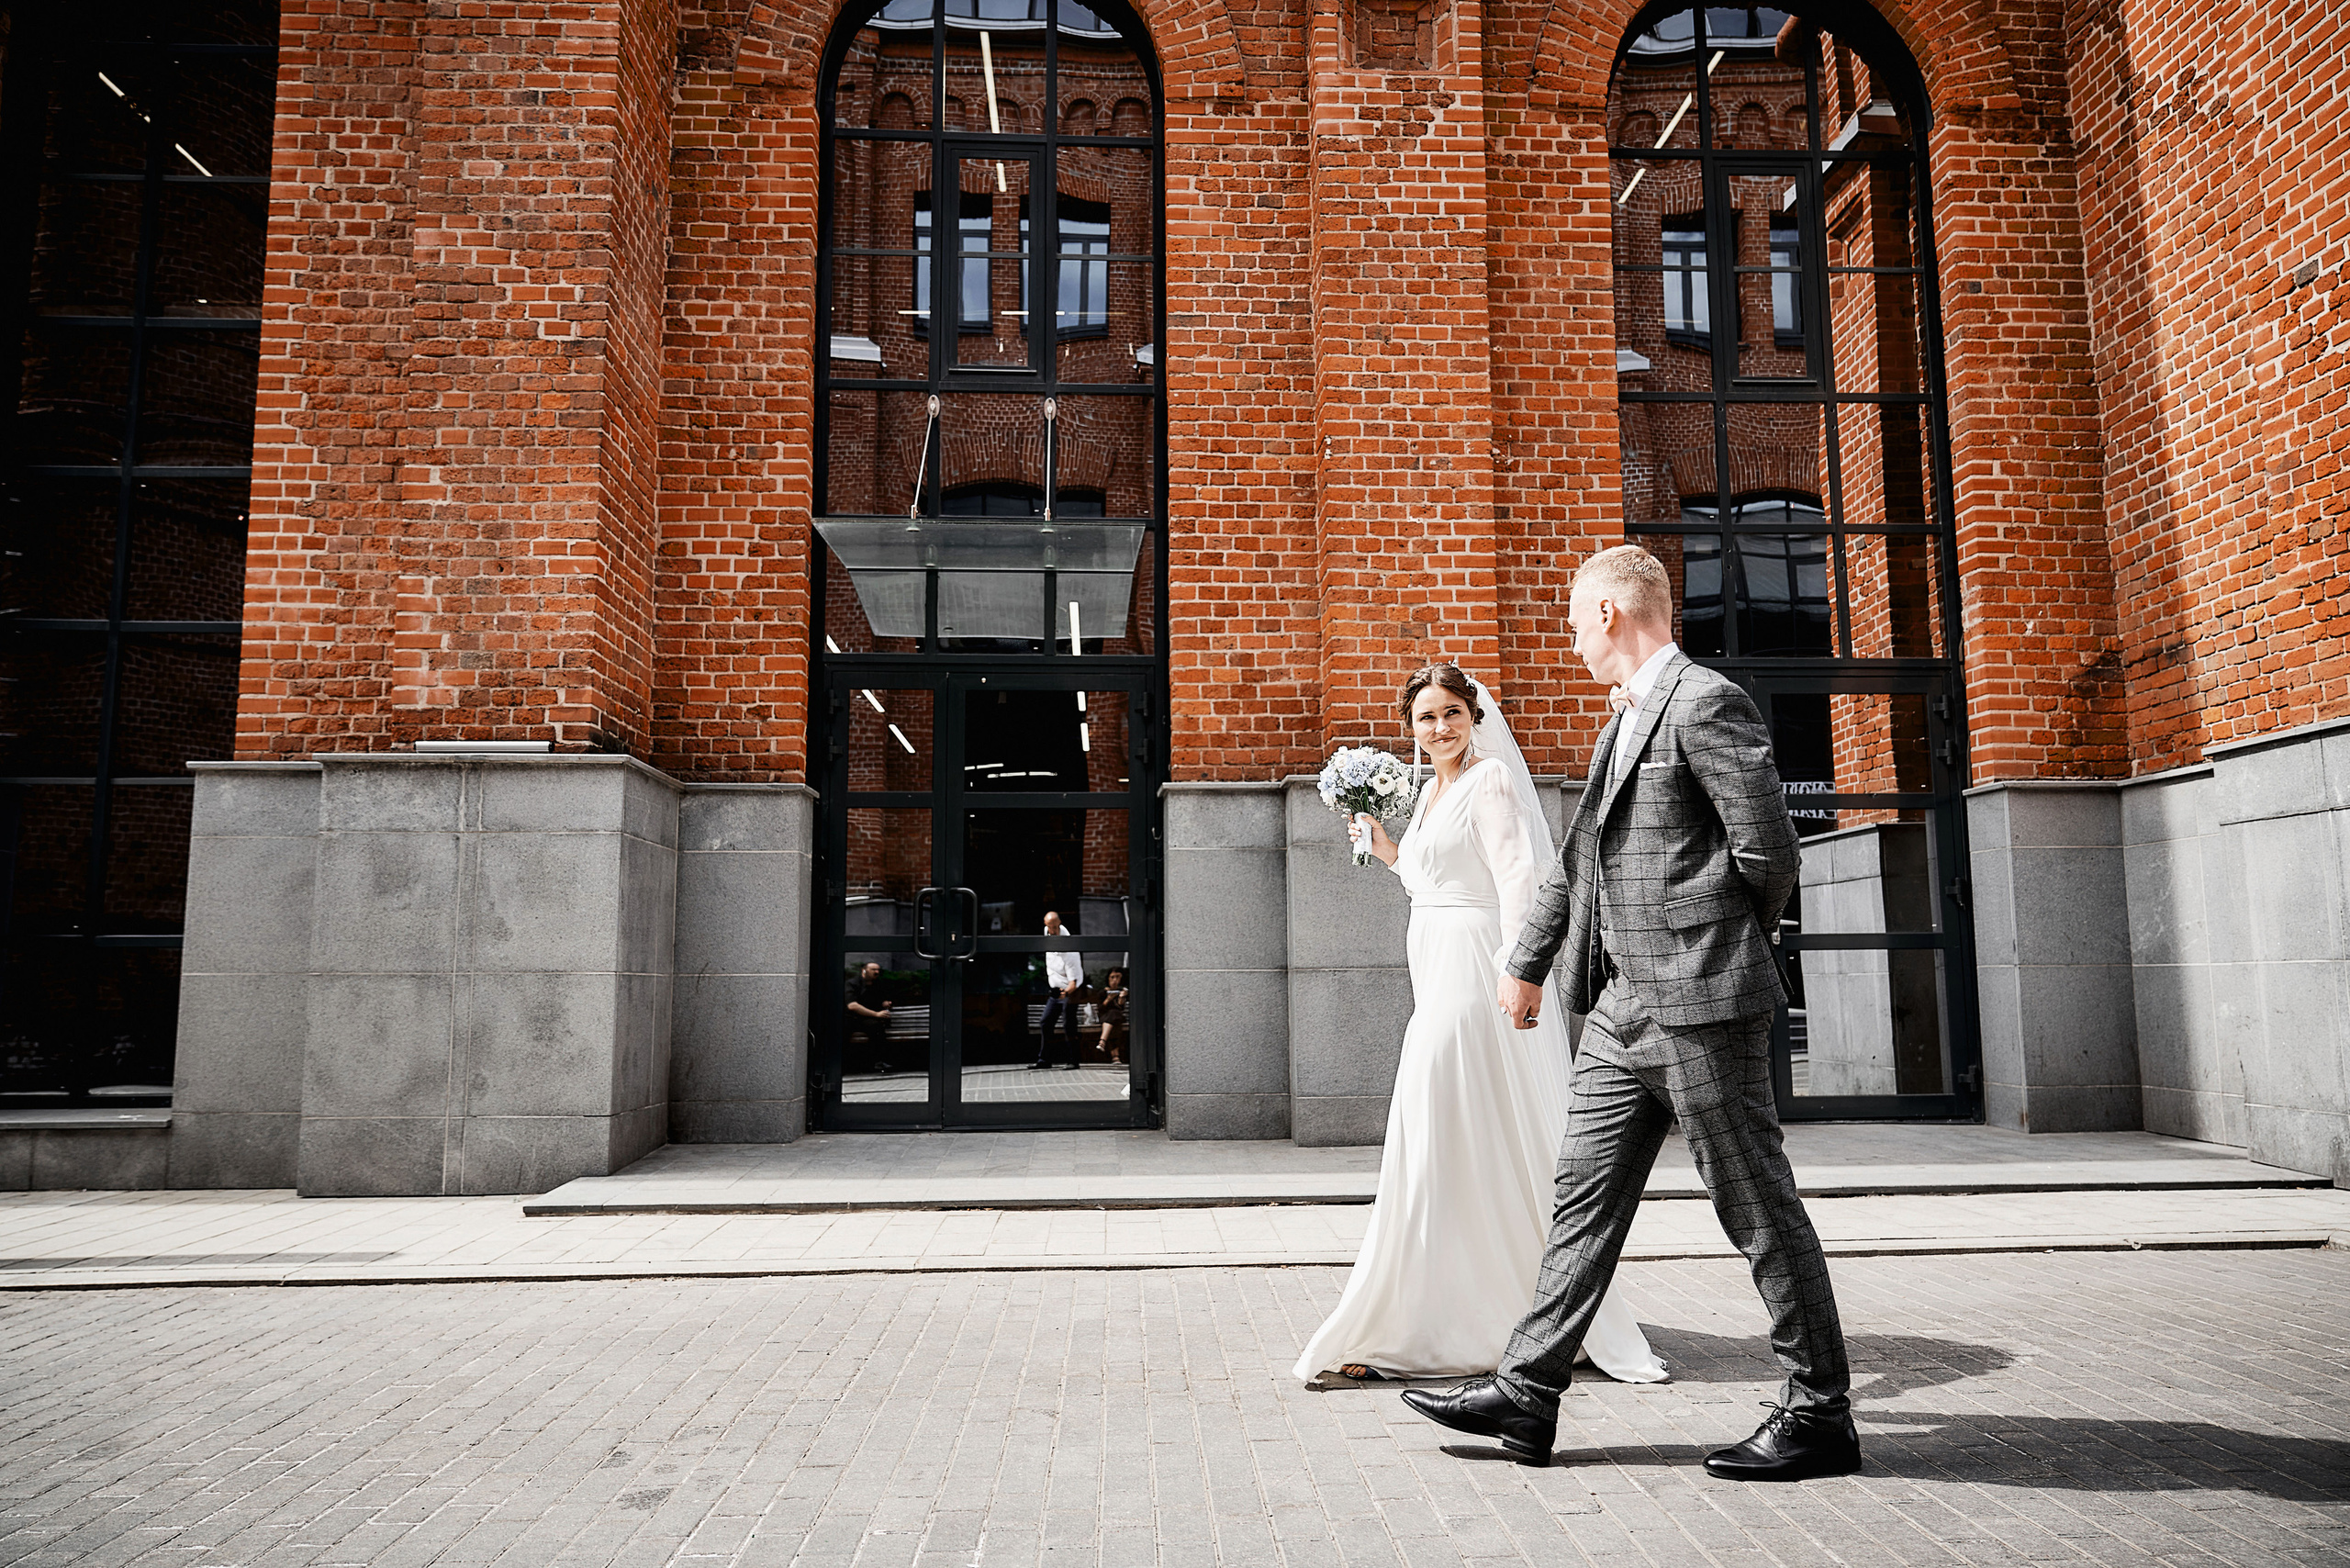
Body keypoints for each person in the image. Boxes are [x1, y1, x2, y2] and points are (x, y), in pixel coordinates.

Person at [1401, 544, 1859, 1482]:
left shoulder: (1703, 701)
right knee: (1581, 1197)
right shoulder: (1625, 718)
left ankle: (1819, 1411)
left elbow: (1769, 853)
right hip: (1620, 1012)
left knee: (1757, 1207)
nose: (1571, 640)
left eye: (1574, 622)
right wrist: (1525, 962)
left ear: (1610, 611)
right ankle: (1527, 1392)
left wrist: (1713, 950)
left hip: (1699, 1003)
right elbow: (1577, 860)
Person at [1293, 662, 1668, 1391]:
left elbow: (1519, 880)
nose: (1439, 729)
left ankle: (1448, 1317)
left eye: (1451, 715)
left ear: (1475, 717)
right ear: (1411, 727)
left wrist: (1518, 972)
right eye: (1426, 718)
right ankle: (1456, 1305)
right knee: (1452, 1134)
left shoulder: (1492, 780)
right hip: (1434, 966)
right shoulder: (1432, 792)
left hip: (1474, 974)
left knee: (1438, 1123)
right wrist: (1386, 846)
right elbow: (1431, 883)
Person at [1031, 912, 1085, 1070]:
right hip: (1055, 990)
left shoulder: (1070, 952)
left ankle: (1073, 1061)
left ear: (1060, 923)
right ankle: (1044, 1060)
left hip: (1070, 990)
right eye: (1050, 927)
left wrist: (1065, 993)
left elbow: (1073, 984)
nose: (1053, 931)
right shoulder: (1046, 932)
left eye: (1055, 927)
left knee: (1069, 1024)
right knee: (1046, 1022)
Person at [844, 960, 894, 1076]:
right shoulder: (852, 983)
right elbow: (852, 1006)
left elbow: (880, 999)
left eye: (878, 970)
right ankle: (844, 1065)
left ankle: (878, 1062)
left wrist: (885, 1004)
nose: (876, 972)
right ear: (864, 970)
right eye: (873, 970)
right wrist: (876, 1014)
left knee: (877, 1028)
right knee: (842, 1032)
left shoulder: (878, 984)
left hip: (867, 1019)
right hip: (851, 1018)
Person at [1095, 968, 1130, 1064]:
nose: (1114, 980)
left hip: (1115, 1017)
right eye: (1112, 977)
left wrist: (1122, 997)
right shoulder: (1102, 992)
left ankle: (1102, 1042)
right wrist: (1108, 999)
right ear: (1108, 979)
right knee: (1114, 1022)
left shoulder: (1121, 991)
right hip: (1105, 1017)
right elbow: (1100, 1009)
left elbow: (1120, 1007)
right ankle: (1115, 1056)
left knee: (1114, 1015)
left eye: (1117, 977)